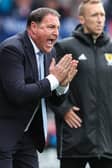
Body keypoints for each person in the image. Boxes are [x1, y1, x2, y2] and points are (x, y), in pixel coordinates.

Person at [52, 0, 112, 168]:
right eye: (94, 15)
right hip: (74, 138)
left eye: (102, 15)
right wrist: (63, 108)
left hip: (107, 141)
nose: (100, 20)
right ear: (82, 19)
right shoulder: (64, 47)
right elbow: (50, 86)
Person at [0, 7, 78, 168]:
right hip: (4, 136)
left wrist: (62, 86)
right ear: (33, 28)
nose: (56, 33)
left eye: (57, 27)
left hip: (28, 138)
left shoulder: (50, 53)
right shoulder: (12, 49)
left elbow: (53, 101)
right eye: (50, 27)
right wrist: (54, 79)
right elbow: (18, 94)